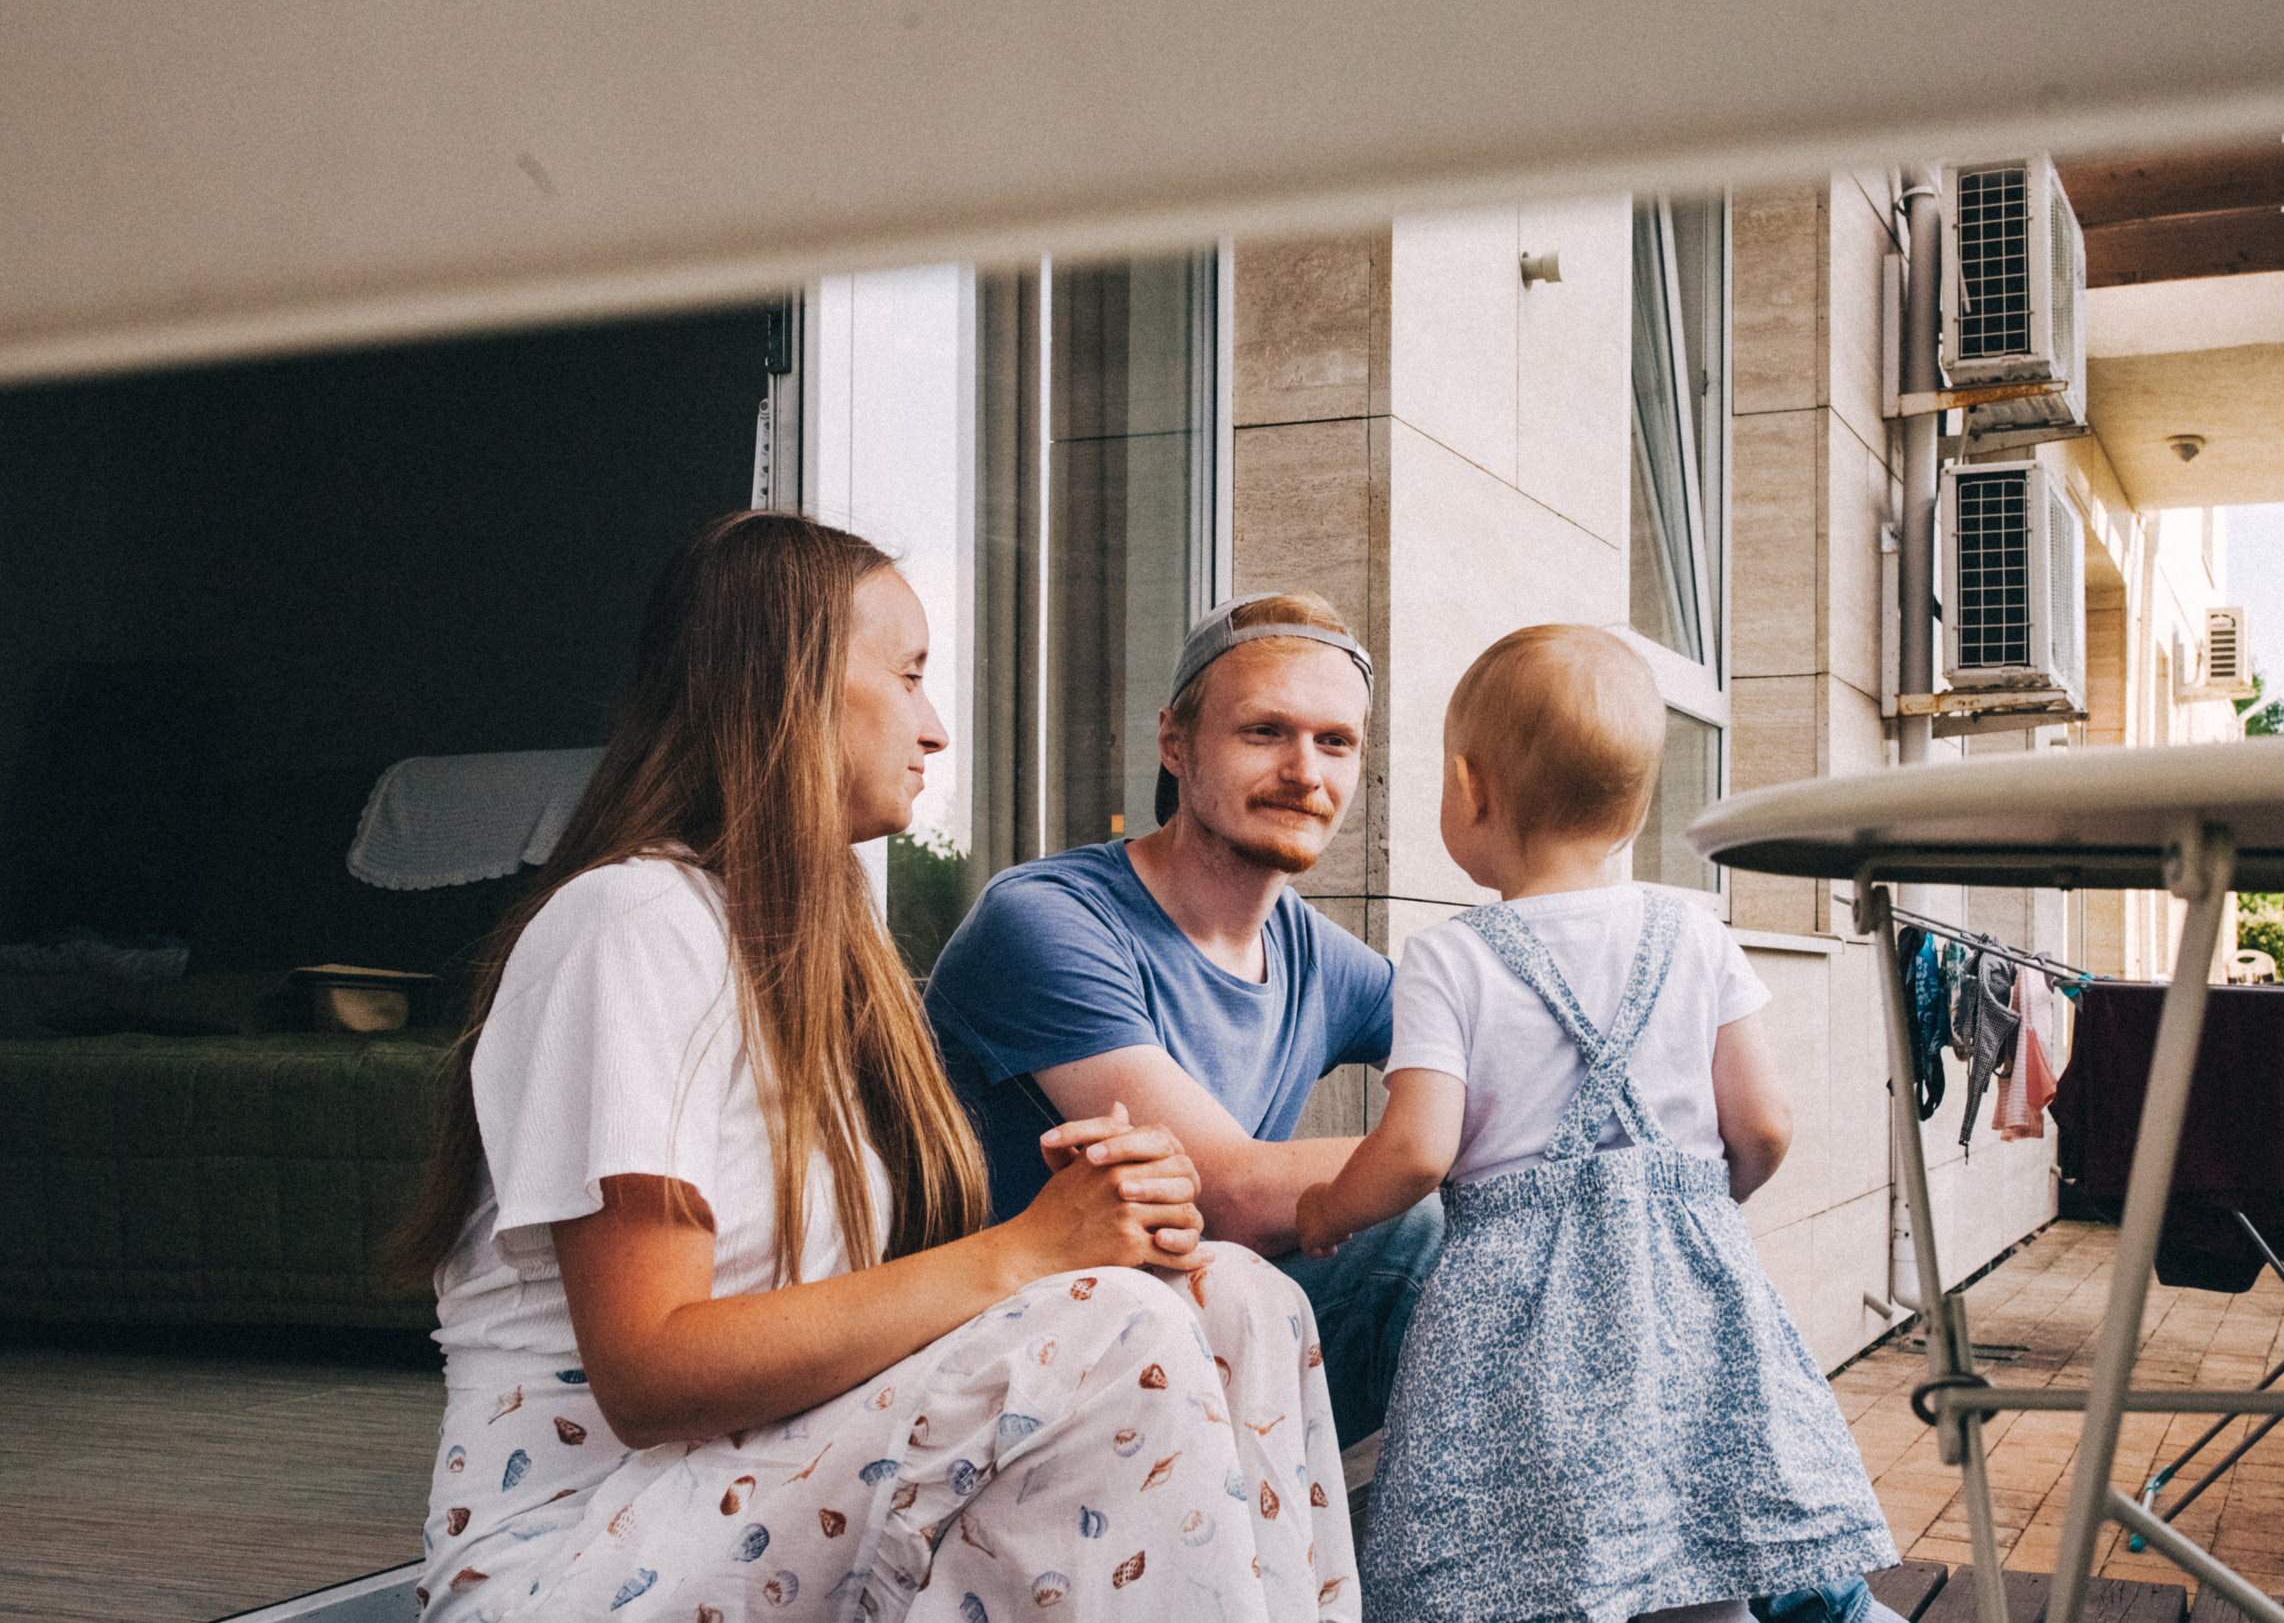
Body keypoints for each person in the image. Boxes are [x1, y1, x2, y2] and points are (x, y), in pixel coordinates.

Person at [384, 513, 1356, 1623]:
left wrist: (1114, 1222)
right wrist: (1030, 1253)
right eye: (907, 676)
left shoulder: (810, 963)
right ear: (785, 687)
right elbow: (649, 1375)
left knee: (1236, 1295)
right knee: (1112, 1326)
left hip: (756, 1498)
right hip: (587, 1553)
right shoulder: (631, 923)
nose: (935, 728)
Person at [1296, 624, 1898, 1623]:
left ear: (1468, 789)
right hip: (1687, 1287)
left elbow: (1414, 1149)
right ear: (1636, 806)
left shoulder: (1452, 959)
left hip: (1513, 1311)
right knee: (1700, 1530)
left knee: (1520, 1543)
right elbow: (1764, 1121)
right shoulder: (1693, 934)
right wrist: (1697, 1203)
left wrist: (1326, 1208)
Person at [927, 592, 1437, 1450]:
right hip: (1009, 1376)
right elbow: (1227, 1191)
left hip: (1191, 1341)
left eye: (1335, 741)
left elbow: (1499, 1048)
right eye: (1265, 731)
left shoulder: (1311, 951)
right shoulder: (1048, 921)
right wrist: (1446, 1145)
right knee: (1416, 1224)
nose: (1305, 772)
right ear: (1175, 741)